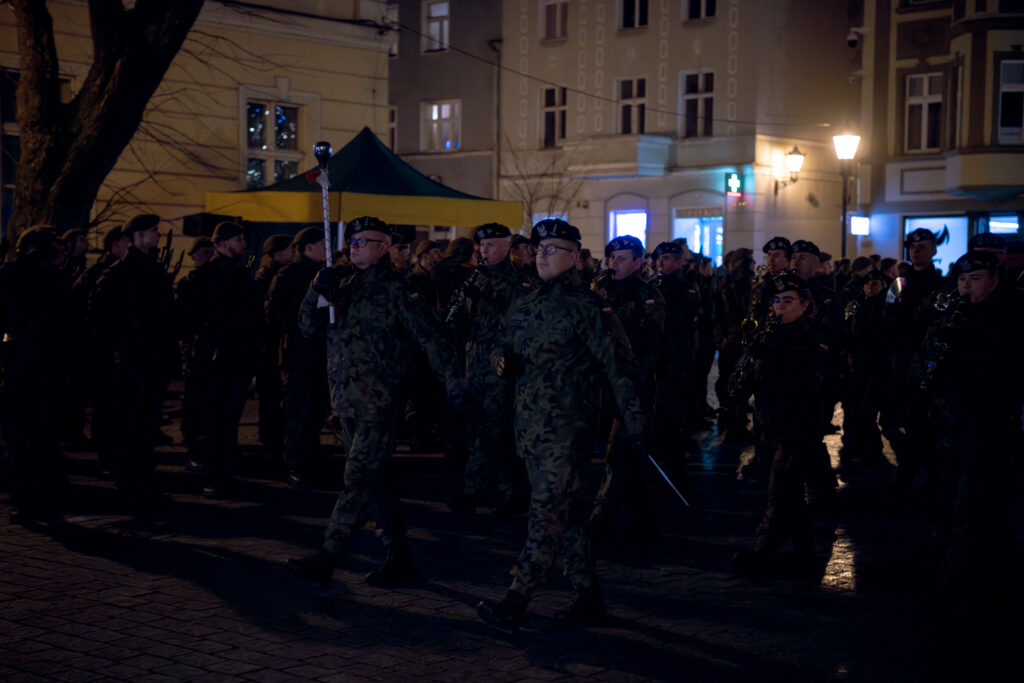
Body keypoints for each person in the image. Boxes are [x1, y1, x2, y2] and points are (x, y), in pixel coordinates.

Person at [476, 218, 645, 633]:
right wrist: (501, 362)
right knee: (564, 518)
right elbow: (501, 343)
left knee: (544, 513)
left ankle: (517, 596)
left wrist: (636, 425)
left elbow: (619, 367)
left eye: (551, 250)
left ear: (573, 256)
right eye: (537, 250)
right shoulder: (526, 302)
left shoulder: (588, 306)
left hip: (567, 429)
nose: (541, 257)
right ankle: (588, 594)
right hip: (529, 428)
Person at [287, 216, 463, 590]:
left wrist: (453, 387)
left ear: (383, 247)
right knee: (375, 483)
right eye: (352, 240)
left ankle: (327, 558)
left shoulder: (399, 290)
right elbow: (305, 328)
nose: (354, 245)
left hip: (379, 403)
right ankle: (399, 557)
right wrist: (316, 289)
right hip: (346, 402)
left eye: (364, 241)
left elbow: (433, 337)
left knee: (356, 481)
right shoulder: (342, 285)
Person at [909, 250, 1023, 618]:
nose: (966, 286)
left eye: (975, 279)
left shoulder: (1008, 318)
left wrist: (969, 347)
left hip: (987, 426)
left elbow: (1007, 373)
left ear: (993, 280)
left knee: (974, 508)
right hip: (948, 425)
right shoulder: (950, 317)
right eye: (961, 279)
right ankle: (989, 581)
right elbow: (919, 361)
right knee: (958, 504)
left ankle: (959, 586)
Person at [731, 272, 834, 584]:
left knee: (780, 491)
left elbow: (815, 386)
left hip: (797, 427)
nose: (779, 307)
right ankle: (805, 555)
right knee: (788, 495)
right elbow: (741, 384)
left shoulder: (813, 341)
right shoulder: (767, 335)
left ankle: (763, 554)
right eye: (776, 300)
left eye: (788, 301)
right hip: (768, 425)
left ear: (805, 305)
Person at [90, 214, 177, 511]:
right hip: (130, 360)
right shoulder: (118, 273)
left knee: (145, 425)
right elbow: (103, 320)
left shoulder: (152, 270)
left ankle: (143, 483)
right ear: (137, 235)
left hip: (151, 359)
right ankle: (129, 485)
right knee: (129, 424)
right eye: (153, 231)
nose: (157, 235)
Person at [447, 223, 532, 518]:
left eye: (492, 245)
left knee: (491, 430)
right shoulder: (476, 278)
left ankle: (470, 489)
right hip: (475, 367)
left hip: (500, 368)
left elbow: (516, 325)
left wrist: (484, 300)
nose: (485, 250)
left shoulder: (519, 283)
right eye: (482, 246)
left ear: (507, 247)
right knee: (495, 433)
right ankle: (516, 493)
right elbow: (456, 325)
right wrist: (461, 305)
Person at [176, 221, 262, 497]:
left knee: (229, 420)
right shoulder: (202, 279)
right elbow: (189, 321)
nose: (244, 245)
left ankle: (225, 471)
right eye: (238, 240)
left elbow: (253, 319)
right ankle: (213, 474)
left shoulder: (242, 277)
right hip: (212, 361)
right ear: (222, 244)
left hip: (236, 359)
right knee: (213, 419)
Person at [589, 234, 665, 540]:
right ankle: (642, 516)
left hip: (632, 386)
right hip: (600, 383)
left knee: (619, 450)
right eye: (611, 258)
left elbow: (653, 346)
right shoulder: (599, 291)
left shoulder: (649, 296)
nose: (614, 263)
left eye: (622, 258)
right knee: (627, 456)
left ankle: (601, 516)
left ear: (638, 262)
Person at [0, 227, 71, 522]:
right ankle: (25, 497)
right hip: (24, 367)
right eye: (56, 245)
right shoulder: (14, 277)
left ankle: (40, 496)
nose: (62, 250)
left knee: (43, 435)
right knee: (24, 436)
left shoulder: (55, 278)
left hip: (46, 367)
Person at [884, 227, 946, 494]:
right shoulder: (899, 284)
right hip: (903, 358)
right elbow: (888, 317)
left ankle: (929, 473)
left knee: (930, 420)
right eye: (912, 247)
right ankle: (912, 470)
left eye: (922, 246)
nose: (916, 251)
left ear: (933, 249)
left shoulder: (943, 284)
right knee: (907, 418)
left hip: (931, 360)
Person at [267, 227, 329, 486]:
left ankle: (311, 460)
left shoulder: (324, 276)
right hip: (297, 354)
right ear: (308, 247)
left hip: (319, 353)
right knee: (299, 411)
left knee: (316, 410)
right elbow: (277, 316)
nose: (328, 249)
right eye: (322, 244)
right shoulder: (289, 276)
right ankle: (295, 463)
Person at [651, 241, 699, 459]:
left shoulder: (686, 288)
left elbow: (680, 320)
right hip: (655, 353)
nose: (660, 262)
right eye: (659, 258)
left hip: (675, 353)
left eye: (667, 258)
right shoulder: (652, 285)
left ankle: (672, 443)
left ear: (680, 262)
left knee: (672, 401)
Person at [254, 233, 295, 463]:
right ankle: (270, 444)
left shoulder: (280, 275)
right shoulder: (269, 277)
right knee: (270, 398)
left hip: (275, 347)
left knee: (275, 398)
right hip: (270, 348)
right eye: (290, 249)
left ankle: (273, 441)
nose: (293, 253)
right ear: (278, 253)